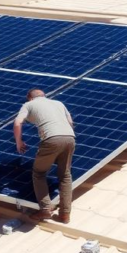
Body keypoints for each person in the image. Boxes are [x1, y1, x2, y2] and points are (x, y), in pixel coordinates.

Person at [14, 88, 75, 223]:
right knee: (65, 175)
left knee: (39, 173)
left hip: (51, 139)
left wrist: (19, 142)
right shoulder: (59, 103)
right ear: (45, 96)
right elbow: (70, 122)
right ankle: (65, 214)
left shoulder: (28, 105)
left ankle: (45, 210)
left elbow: (18, 122)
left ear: (30, 98)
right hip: (70, 137)